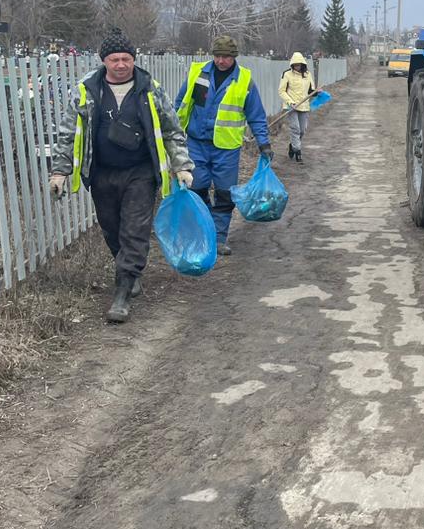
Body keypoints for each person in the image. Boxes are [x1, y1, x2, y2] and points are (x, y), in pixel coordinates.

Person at [48, 31, 194, 323]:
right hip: (101, 172)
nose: (121, 65)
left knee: (134, 230)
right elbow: (67, 133)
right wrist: (60, 171)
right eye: (114, 59)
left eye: (126, 59)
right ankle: (130, 270)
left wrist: (181, 165)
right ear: (104, 61)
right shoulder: (87, 90)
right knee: (111, 228)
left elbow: (171, 129)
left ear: (133, 59)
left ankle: (123, 291)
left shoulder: (150, 89)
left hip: (140, 172)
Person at [175, 35, 272, 255]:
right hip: (197, 143)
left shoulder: (244, 80)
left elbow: (256, 115)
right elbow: (181, 103)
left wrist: (263, 142)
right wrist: (172, 135)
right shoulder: (198, 73)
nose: (221, 61)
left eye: (226, 57)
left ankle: (219, 239)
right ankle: (206, 229)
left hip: (226, 148)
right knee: (196, 187)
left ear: (234, 57)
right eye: (217, 56)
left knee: (224, 194)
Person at [278, 52, 314, 163]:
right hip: (291, 107)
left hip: (304, 106)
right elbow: (281, 91)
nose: (296, 67)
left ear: (302, 64)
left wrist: (317, 92)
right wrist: (290, 102)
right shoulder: (287, 74)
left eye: (298, 65)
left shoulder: (308, 74)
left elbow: (310, 90)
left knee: (302, 130)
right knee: (295, 129)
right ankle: (298, 152)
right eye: (295, 65)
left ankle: (293, 145)